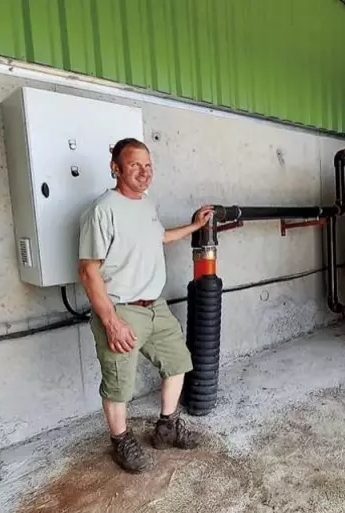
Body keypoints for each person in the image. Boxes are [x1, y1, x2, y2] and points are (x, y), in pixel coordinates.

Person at [78, 137, 214, 473]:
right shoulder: (102, 210)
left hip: (156, 306)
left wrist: (195, 226)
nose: (144, 172)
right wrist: (111, 321)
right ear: (116, 168)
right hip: (122, 309)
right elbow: (88, 270)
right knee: (118, 384)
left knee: (178, 363)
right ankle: (121, 440)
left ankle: (166, 427)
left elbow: (160, 237)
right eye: (135, 165)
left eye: (148, 165)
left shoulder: (147, 205)